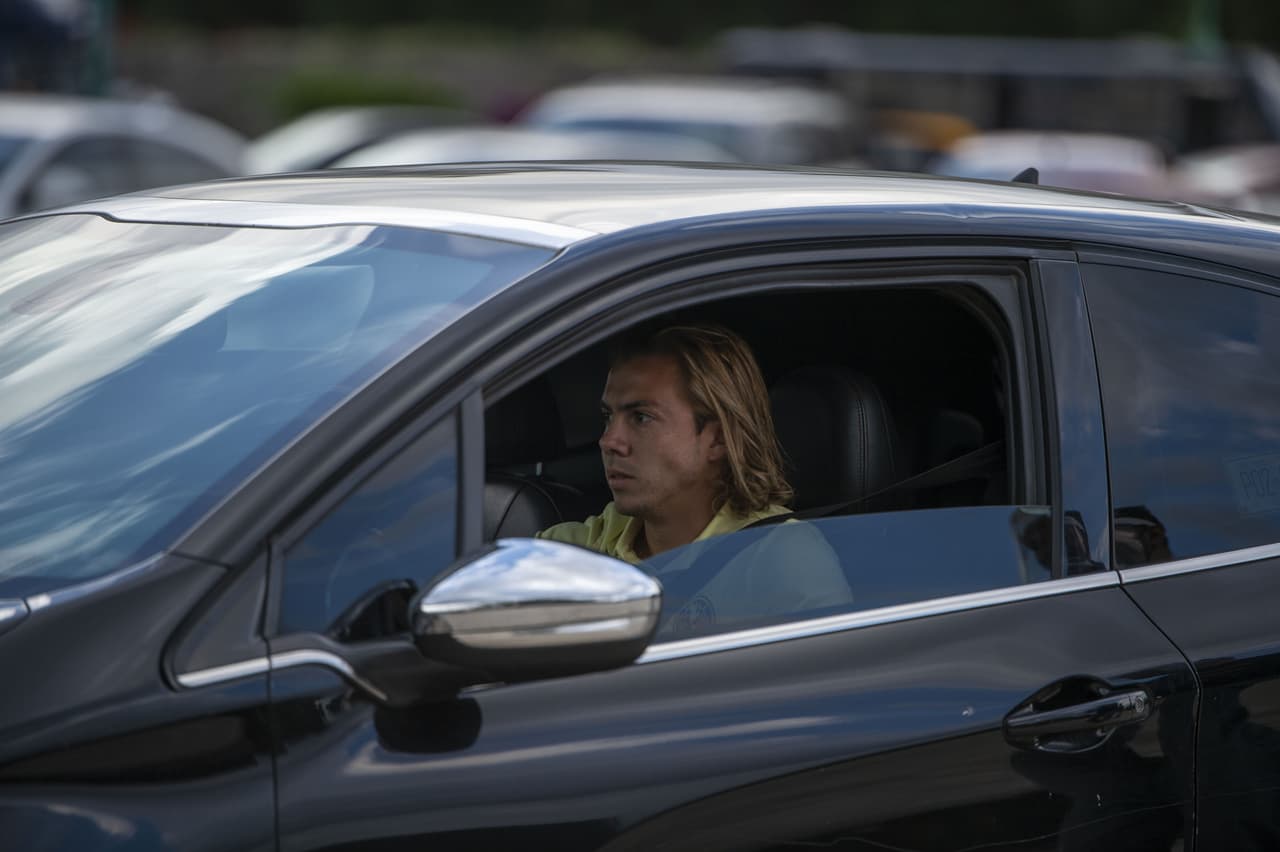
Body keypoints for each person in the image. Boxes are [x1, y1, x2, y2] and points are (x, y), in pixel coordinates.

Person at [538, 324, 852, 636]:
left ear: (716, 439)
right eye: (609, 417)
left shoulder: (782, 560)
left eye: (641, 417)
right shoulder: (578, 549)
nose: (609, 441)